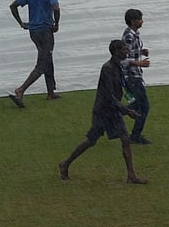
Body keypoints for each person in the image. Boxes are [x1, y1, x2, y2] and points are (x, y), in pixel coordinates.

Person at [58, 40, 146, 184]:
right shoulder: (108, 68)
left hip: (112, 110)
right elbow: (109, 95)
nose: (126, 52)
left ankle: (131, 175)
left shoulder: (117, 66)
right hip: (103, 111)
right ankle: (65, 164)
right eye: (124, 49)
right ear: (116, 51)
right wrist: (127, 110)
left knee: (125, 138)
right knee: (91, 140)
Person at [8, 0, 61, 106]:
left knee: (47, 58)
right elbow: (56, 8)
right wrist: (57, 23)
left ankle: (50, 92)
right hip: (45, 31)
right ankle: (21, 90)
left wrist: (21, 23)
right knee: (42, 64)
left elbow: (13, 6)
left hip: (33, 32)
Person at [121, 9, 153, 145]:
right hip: (132, 76)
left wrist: (141, 51)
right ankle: (135, 135)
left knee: (135, 104)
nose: (142, 21)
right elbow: (123, 59)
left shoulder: (134, 35)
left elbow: (130, 51)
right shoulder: (129, 36)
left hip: (136, 75)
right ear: (133, 21)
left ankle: (110, 116)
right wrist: (140, 62)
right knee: (143, 106)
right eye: (140, 19)